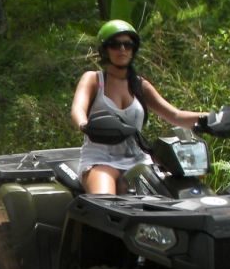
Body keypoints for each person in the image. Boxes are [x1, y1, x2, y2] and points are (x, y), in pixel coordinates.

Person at [70, 20, 211, 195]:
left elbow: (175, 115)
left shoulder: (140, 85)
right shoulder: (93, 80)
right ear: (105, 50)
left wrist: (211, 118)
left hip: (139, 161)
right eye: (115, 45)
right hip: (100, 160)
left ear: (133, 49)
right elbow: (78, 109)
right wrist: (85, 125)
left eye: (127, 45)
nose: (122, 49)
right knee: (104, 201)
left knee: (176, 195)